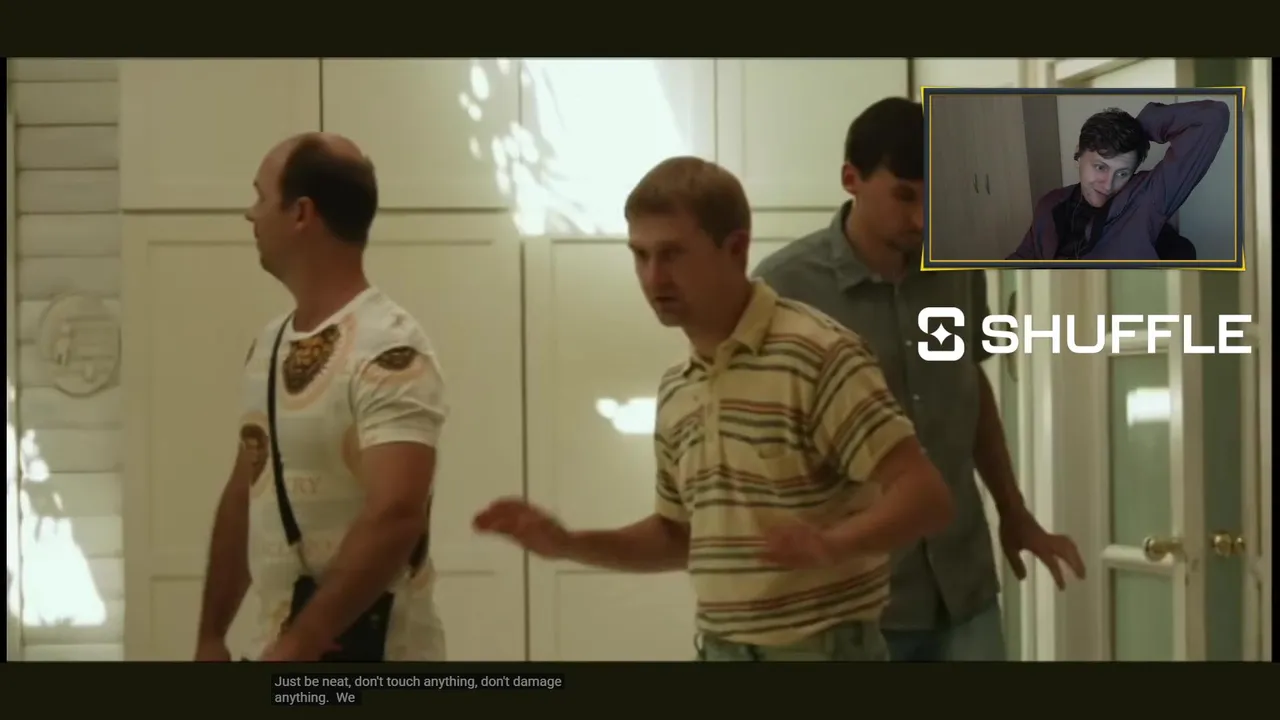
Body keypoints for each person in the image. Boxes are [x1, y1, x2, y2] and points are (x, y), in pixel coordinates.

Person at [474, 156, 954, 662]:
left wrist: (832, 544)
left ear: (737, 248)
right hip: (719, 652)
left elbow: (926, 497)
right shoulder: (678, 389)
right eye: (640, 255)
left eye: (673, 254)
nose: (653, 277)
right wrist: (570, 544)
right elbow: (678, 536)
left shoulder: (818, 355)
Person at [753, 97, 1086, 662]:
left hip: (964, 586)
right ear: (851, 180)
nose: (924, 219)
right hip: (856, 607)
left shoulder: (956, 268)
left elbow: (968, 392)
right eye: (905, 196)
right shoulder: (784, 289)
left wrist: (1014, 511)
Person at [193, 132, 448, 662]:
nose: (250, 213)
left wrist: (302, 641)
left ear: (301, 213)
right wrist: (211, 635)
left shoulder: (389, 346)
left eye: (261, 195)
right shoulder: (268, 345)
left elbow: (397, 513)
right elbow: (246, 491)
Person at [1006, 100, 1230, 260]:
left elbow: (1212, 117)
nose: (1108, 185)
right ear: (1079, 154)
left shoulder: (1147, 198)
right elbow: (1022, 260)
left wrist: (1139, 128)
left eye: (1122, 173)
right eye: (1100, 167)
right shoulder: (1050, 203)